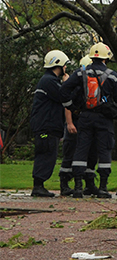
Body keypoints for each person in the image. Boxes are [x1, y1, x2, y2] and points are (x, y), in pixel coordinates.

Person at [61, 43, 117, 198]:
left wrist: (72, 106)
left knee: (81, 150)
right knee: (104, 151)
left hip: (85, 117)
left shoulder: (81, 73)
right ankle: (103, 188)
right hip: (104, 119)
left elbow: (64, 90)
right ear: (106, 58)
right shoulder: (112, 75)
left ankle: (77, 188)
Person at [29, 50, 70, 197]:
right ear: (58, 64)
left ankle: (39, 185)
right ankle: (38, 186)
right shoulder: (50, 81)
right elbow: (63, 97)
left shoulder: (47, 80)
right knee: (46, 153)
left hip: (45, 124)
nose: (66, 68)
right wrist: (67, 84)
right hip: (47, 125)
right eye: (65, 65)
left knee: (46, 153)